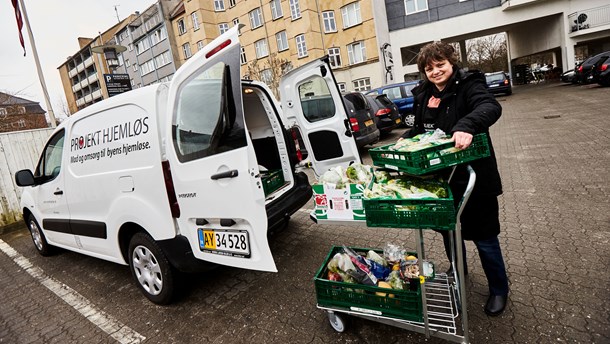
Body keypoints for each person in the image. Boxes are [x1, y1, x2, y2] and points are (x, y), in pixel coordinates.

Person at [401, 41, 509, 316]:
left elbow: (489, 107)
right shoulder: (424, 93)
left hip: (474, 178)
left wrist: (466, 126)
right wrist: (401, 143)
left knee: (485, 237)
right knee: (449, 231)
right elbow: (420, 129)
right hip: (441, 179)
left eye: (440, 66)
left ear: (451, 64)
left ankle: (499, 288)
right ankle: (458, 269)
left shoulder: (469, 84)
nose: (435, 72)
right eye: (429, 68)